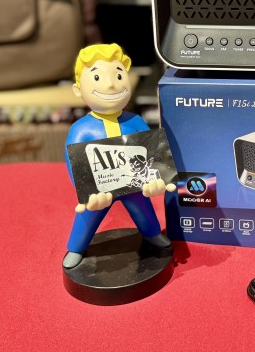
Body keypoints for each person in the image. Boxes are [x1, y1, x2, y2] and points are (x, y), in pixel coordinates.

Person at [63, 43, 174, 269]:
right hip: (100, 191)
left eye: (118, 75)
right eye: (97, 78)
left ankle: (152, 233)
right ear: (78, 90)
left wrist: (157, 180)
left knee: (144, 209)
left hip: (133, 186)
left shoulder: (136, 121)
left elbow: (152, 155)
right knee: (87, 217)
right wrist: (87, 194)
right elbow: (74, 163)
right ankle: (76, 247)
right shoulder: (81, 129)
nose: (111, 84)